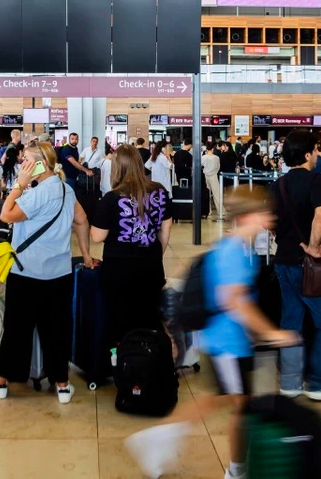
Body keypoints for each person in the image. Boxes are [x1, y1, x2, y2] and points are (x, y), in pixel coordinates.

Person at [125, 187, 300, 479]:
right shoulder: (234, 252)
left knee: (224, 399)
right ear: (248, 216)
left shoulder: (240, 247)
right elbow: (235, 302)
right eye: (264, 212)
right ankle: (234, 469)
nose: (270, 217)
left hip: (230, 341)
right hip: (226, 344)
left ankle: (162, 439)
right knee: (239, 406)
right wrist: (272, 333)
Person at [0, 142, 95, 403]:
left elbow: (5, 215)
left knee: (17, 328)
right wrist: (85, 254)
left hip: (26, 272)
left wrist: (19, 184)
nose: (22, 164)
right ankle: (62, 384)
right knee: (56, 329)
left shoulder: (35, 194)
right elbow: (82, 220)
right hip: (59, 273)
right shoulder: (65, 189)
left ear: (41, 163)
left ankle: (3, 380)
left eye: (26, 160)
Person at [273, 129, 321, 402]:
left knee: (291, 321)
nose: (317, 154)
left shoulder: (278, 184)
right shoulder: (316, 180)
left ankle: (290, 383)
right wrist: (313, 246)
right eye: (315, 150)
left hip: (284, 261)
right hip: (311, 266)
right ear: (307, 154)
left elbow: (270, 222)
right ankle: (318, 383)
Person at [91, 145, 172, 349]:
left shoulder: (111, 198)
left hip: (119, 268)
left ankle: (125, 360)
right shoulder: (159, 191)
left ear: (117, 168)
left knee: (120, 320)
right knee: (150, 315)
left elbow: (97, 236)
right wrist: (156, 253)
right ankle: (151, 357)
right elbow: (166, 228)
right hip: (151, 265)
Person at [202, 142, 222, 219]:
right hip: (214, 176)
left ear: (206, 149)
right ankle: (220, 211)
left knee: (206, 194)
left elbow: (201, 166)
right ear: (213, 149)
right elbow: (218, 167)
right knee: (216, 194)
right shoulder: (216, 158)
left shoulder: (203, 157)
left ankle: (208, 211)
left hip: (205, 176)